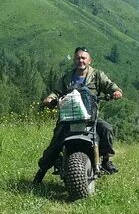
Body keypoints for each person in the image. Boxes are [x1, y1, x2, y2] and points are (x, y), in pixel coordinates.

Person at [33, 47, 123, 184]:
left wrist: (115, 91)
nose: (81, 60)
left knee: (106, 129)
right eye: (78, 58)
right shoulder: (67, 77)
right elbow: (56, 92)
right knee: (55, 143)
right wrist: (50, 99)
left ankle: (105, 160)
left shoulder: (97, 75)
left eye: (83, 58)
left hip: (90, 117)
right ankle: (41, 172)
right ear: (74, 60)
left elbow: (109, 85)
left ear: (89, 60)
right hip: (69, 117)